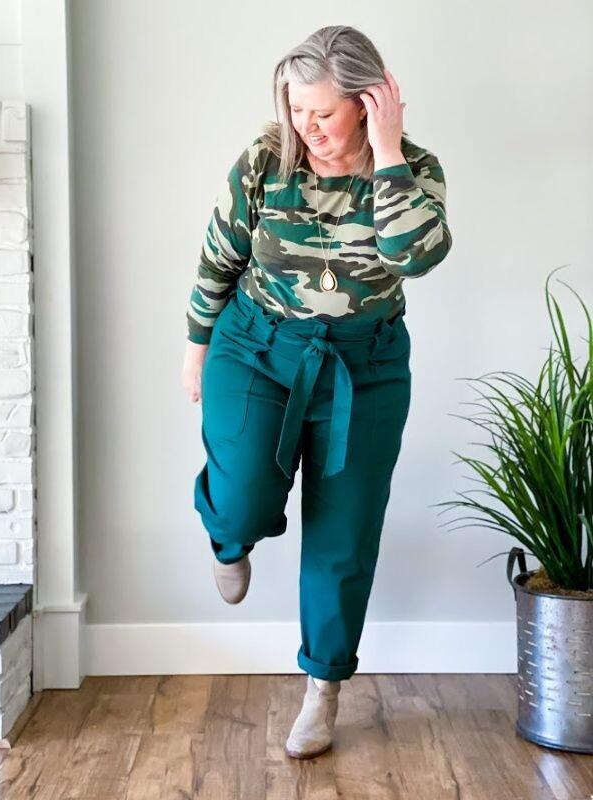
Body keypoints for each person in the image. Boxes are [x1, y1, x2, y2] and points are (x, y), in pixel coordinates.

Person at [181, 24, 452, 759]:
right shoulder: (265, 160)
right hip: (256, 346)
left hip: (366, 364)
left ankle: (323, 688)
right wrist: (195, 347)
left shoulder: (415, 168)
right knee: (242, 492)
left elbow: (415, 256)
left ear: (369, 102)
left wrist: (388, 154)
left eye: (323, 112)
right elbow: (218, 255)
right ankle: (229, 537)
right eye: (297, 108)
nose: (307, 126)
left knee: (344, 532)